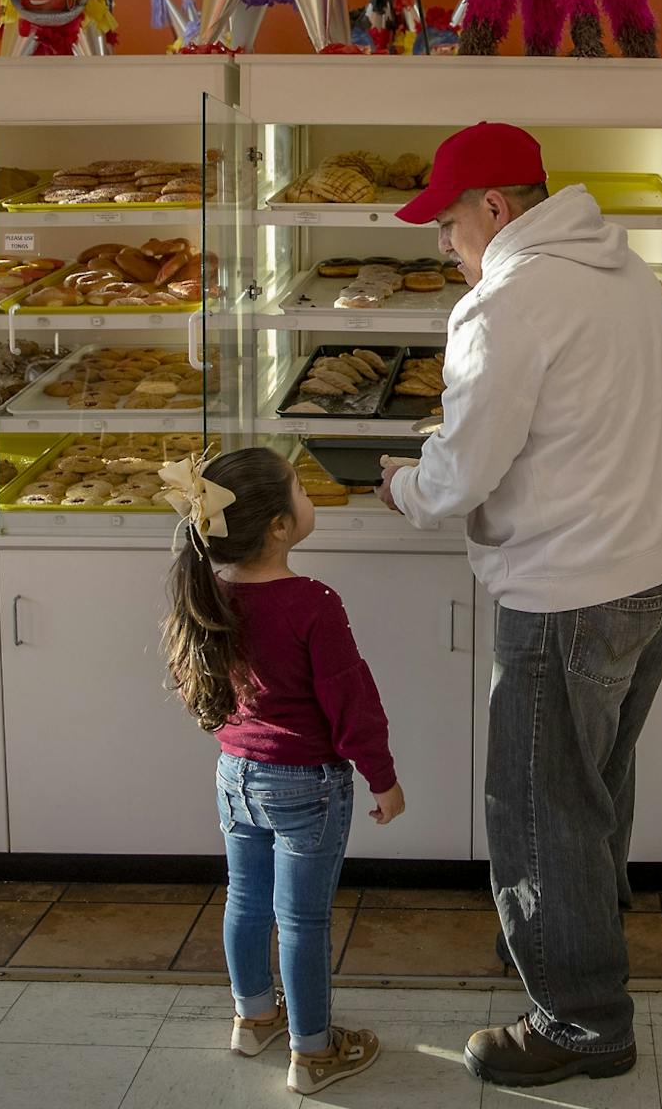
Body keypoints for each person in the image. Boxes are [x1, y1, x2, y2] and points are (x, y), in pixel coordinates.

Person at [376, 122, 662, 1088]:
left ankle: (582, 1019)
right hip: (653, 574)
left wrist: (402, 482)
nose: (442, 241)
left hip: (570, 591)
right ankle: (568, 940)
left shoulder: (507, 302)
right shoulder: (625, 271)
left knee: (537, 807)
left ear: (496, 209)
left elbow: (460, 477)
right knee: (590, 792)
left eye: (447, 221)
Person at [159, 448, 406, 1097]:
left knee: (245, 902)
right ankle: (314, 1052)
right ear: (277, 525)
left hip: (235, 774)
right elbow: (352, 703)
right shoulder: (313, 603)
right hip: (308, 785)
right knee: (301, 922)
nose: (308, 496)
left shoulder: (209, 591)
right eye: (300, 489)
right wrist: (382, 777)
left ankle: (254, 1017)